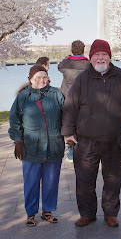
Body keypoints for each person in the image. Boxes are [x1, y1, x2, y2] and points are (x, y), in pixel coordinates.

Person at [61, 39, 121, 227]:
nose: (100, 58)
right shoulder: (82, 79)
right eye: (96, 55)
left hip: (115, 141)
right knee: (84, 179)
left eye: (104, 54)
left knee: (113, 179)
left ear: (109, 57)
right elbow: (70, 107)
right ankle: (87, 213)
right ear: (91, 58)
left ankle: (110, 213)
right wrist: (68, 132)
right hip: (86, 141)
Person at [8, 65, 65, 227]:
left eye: (44, 77)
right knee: (31, 182)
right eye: (37, 77)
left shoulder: (57, 94)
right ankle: (31, 213)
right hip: (31, 147)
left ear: (48, 78)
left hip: (54, 146)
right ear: (30, 79)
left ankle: (47, 211)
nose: (41, 80)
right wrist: (17, 140)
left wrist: (69, 134)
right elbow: (14, 120)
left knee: (51, 181)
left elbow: (67, 115)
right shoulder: (23, 97)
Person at [58, 40, 89, 163]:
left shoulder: (65, 63)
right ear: (83, 50)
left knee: (69, 124)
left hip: (67, 96)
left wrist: (67, 57)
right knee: (82, 123)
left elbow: (59, 66)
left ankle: (70, 152)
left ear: (71, 50)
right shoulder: (88, 64)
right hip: (83, 97)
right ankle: (82, 150)